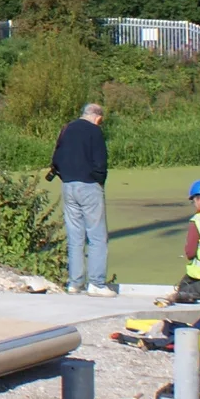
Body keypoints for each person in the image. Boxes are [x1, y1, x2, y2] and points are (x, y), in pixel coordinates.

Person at [46, 101, 111, 296]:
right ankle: (97, 284)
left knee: (75, 236)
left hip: (68, 186)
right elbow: (100, 161)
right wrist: (99, 181)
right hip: (89, 186)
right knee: (97, 235)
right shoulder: (94, 131)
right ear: (97, 118)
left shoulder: (67, 129)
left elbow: (57, 158)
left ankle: (74, 283)